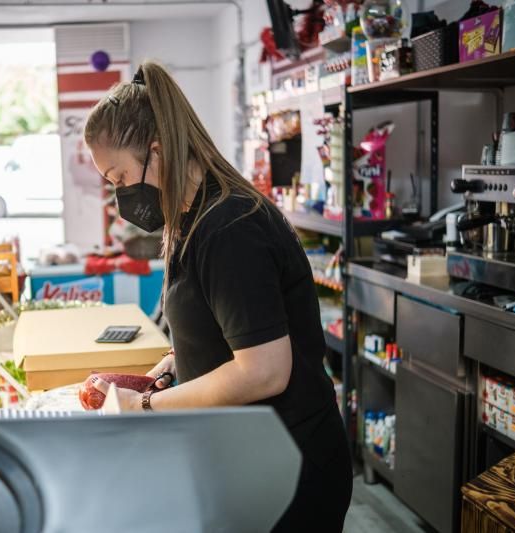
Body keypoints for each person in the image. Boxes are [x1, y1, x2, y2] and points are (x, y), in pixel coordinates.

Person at [84, 61, 352, 532]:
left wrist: (144, 407)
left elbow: (264, 371)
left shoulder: (230, 227)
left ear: (157, 152)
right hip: (247, 455)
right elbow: (222, 326)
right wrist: (172, 366)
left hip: (288, 470)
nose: (119, 197)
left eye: (120, 179)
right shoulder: (190, 217)